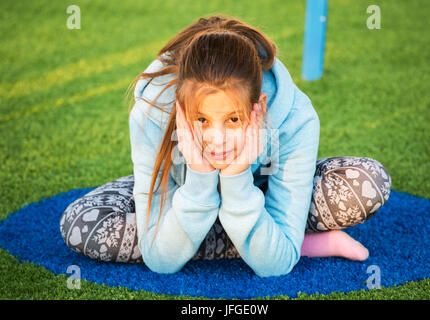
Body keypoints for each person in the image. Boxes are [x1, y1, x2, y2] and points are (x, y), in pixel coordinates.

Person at [59, 15, 392, 277]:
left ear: (258, 106)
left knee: (367, 183)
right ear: (180, 105)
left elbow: (274, 268)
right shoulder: (153, 113)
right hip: (184, 194)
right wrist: (201, 177)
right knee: (83, 225)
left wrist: (235, 178)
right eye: (201, 119)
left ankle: (254, 237)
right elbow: (160, 260)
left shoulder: (295, 117)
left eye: (232, 119)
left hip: (259, 195)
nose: (216, 140)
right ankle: (290, 242)